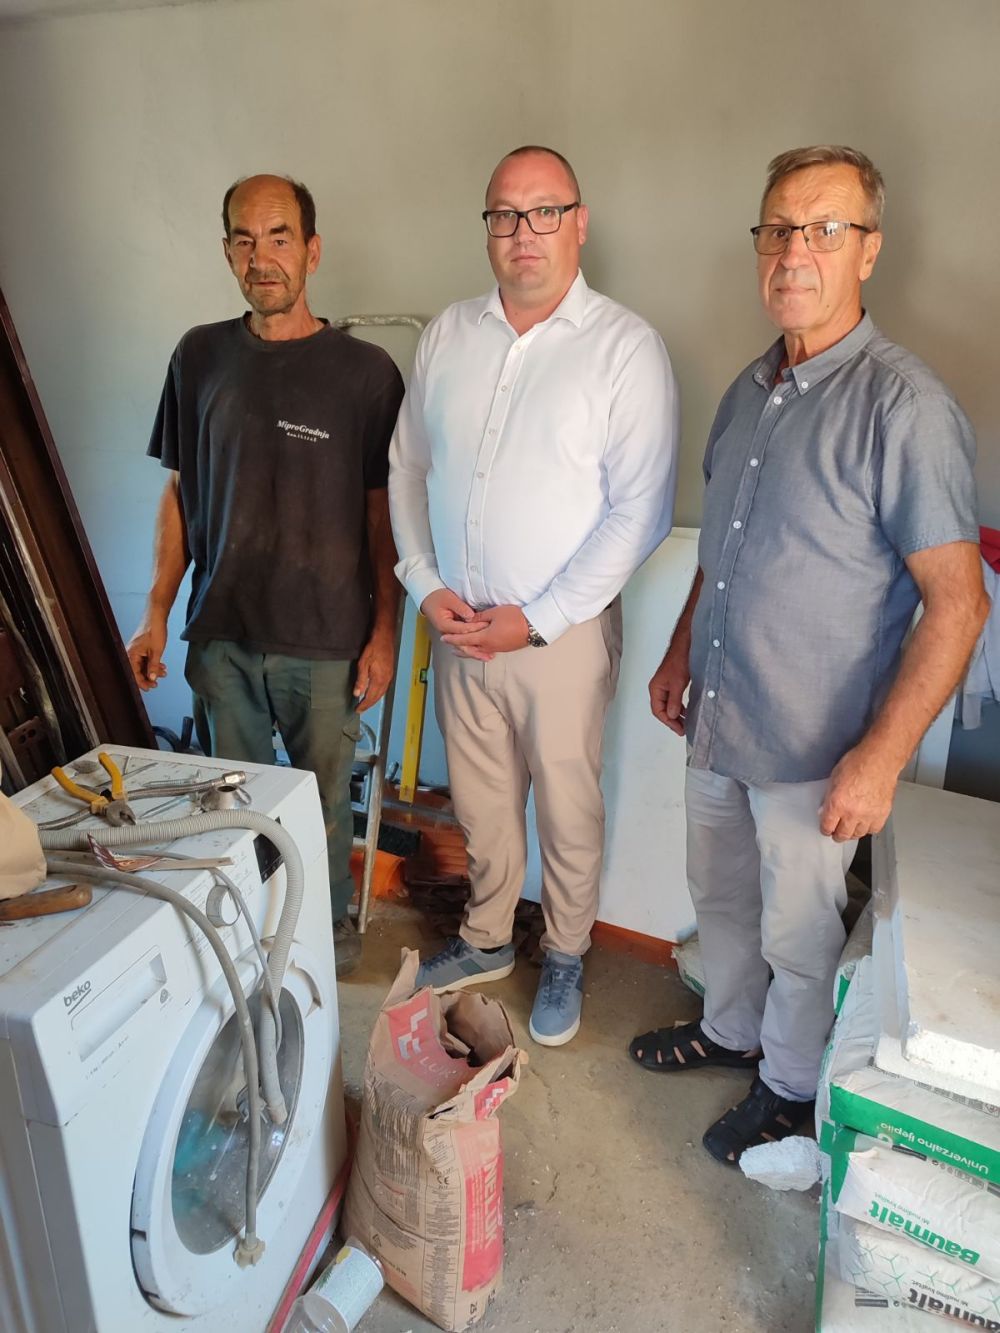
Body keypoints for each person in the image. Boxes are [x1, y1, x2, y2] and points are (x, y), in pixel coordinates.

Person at [630, 145, 989, 1162]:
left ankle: (788, 1088)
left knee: (797, 932)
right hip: (718, 716)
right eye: (779, 228)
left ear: (867, 250)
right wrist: (677, 652)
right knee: (720, 900)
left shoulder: (903, 407)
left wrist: (879, 760)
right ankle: (729, 1030)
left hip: (813, 747)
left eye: (825, 229)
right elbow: (726, 549)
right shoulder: (750, 391)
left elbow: (958, 605)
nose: (796, 251)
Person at [389, 145, 679, 1045]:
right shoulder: (448, 335)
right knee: (480, 804)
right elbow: (407, 467)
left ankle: (564, 952)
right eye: (505, 214)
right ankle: (485, 937)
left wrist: (539, 619)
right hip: (458, 627)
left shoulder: (624, 348)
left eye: (544, 211)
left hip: (560, 637)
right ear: (488, 228)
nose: (524, 232)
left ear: (578, 223)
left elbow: (641, 512)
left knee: (566, 805)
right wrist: (424, 583)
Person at [127, 174, 404, 977]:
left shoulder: (366, 374)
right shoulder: (198, 356)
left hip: (325, 640)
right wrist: (155, 611)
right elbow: (179, 494)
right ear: (227, 253)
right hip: (222, 634)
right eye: (245, 240)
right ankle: (246, 942)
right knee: (232, 807)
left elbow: (383, 520)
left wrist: (385, 633)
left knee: (320, 810)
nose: (262, 257)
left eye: (279, 237)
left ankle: (321, 947)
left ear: (312, 251)